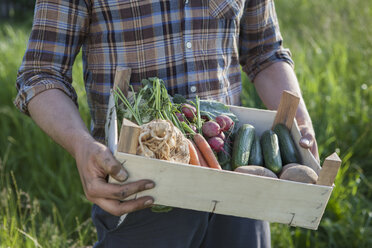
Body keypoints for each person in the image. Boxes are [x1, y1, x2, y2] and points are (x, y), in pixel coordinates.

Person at [15, 0, 319, 247]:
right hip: (139, 189)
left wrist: (300, 121)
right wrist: (82, 146)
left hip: (238, 184)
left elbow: (264, 52)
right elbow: (41, 73)